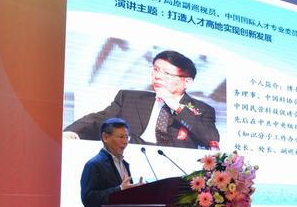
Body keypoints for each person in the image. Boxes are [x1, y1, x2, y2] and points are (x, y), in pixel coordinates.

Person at [64, 50, 220, 150]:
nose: (157, 76)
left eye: (167, 73)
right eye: (156, 70)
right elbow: (100, 119)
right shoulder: (130, 99)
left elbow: (211, 139)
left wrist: (178, 108)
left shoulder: (203, 110)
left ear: (187, 82)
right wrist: (74, 132)